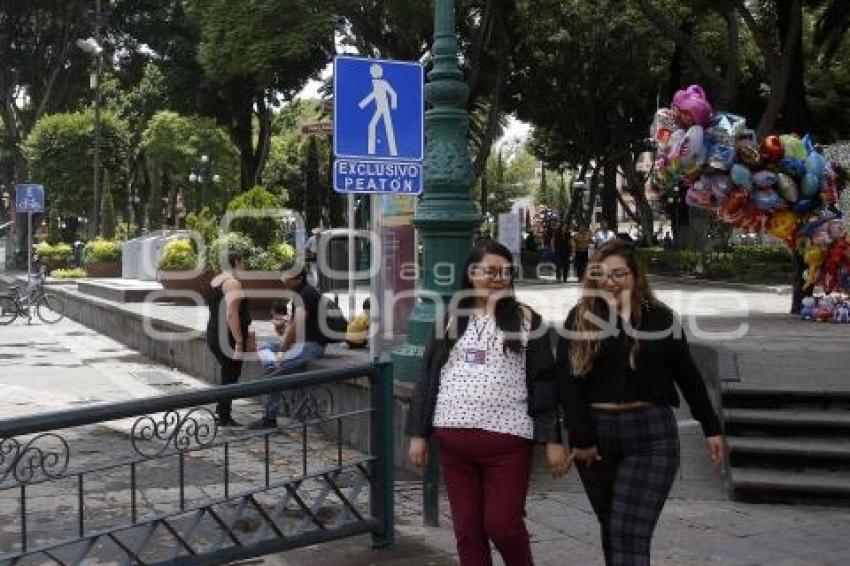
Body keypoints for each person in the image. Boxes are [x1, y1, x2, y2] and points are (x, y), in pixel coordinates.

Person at [552, 239, 724, 566]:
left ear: (635, 276)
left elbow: (687, 375)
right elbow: (567, 382)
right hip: (596, 437)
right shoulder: (582, 317)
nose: (611, 282)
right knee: (613, 529)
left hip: (651, 435)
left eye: (620, 274)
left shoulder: (660, 319)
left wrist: (711, 426)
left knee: (628, 531)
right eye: (602, 274)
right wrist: (581, 437)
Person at [407, 240, 569, 566]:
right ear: (472, 273)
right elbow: (428, 378)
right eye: (490, 271)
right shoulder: (451, 319)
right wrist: (418, 434)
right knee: (468, 531)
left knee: (503, 526)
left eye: (505, 272)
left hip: (507, 443)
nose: (498, 278)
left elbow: (544, 382)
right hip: (453, 442)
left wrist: (552, 439)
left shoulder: (527, 321)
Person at [247, 263, 328, 429]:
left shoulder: (306, 295)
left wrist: (282, 350)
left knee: (277, 371)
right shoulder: (298, 295)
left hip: (311, 345)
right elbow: (293, 328)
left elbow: (296, 326)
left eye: (287, 277)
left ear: (298, 279)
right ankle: (273, 366)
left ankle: (270, 417)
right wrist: (282, 331)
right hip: (300, 343)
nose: (283, 280)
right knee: (264, 347)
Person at [206, 251, 252, 427]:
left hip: (214, 332)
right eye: (243, 261)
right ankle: (224, 416)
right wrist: (239, 341)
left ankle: (222, 410)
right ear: (236, 262)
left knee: (228, 372)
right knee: (231, 373)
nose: (245, 264)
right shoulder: (233, 283)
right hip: (227, 336)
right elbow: (232, 314)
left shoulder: (216, 280)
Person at [257, 300, 290, 369]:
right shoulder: (278, 318)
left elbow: (279, 324)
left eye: (274, 313)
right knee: (263, 347)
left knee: (264, 346)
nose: (273, 315)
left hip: (284, 343)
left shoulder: (286, 317)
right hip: (281, 342)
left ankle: (271, 362)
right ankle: (270, 361)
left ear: (281, 312)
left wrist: (273, 321)